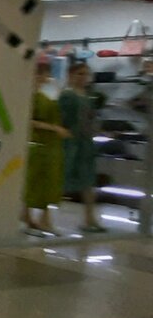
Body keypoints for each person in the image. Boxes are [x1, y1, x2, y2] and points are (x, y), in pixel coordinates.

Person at [23, 62, 70, 236]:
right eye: (42, 74)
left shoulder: (44, 95)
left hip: (47, 144)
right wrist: (53, 128)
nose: (45, 77)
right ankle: (39, 219)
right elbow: (28, 120)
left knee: (41, 182)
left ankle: (34, 217)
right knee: (35, 182)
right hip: (38, 143)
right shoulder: (32, 96)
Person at [60, 62, 106, 233]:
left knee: (88, 180)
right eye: (80, 74)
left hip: (85, 142)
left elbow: (90, 119)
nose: (83, 77)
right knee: (62, 177)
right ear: (71, 75)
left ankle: (89, 218)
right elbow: (62, 118)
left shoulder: (88, 97)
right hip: (70, 142)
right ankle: (40, 215)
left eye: (86, 74)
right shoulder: (67, 95)